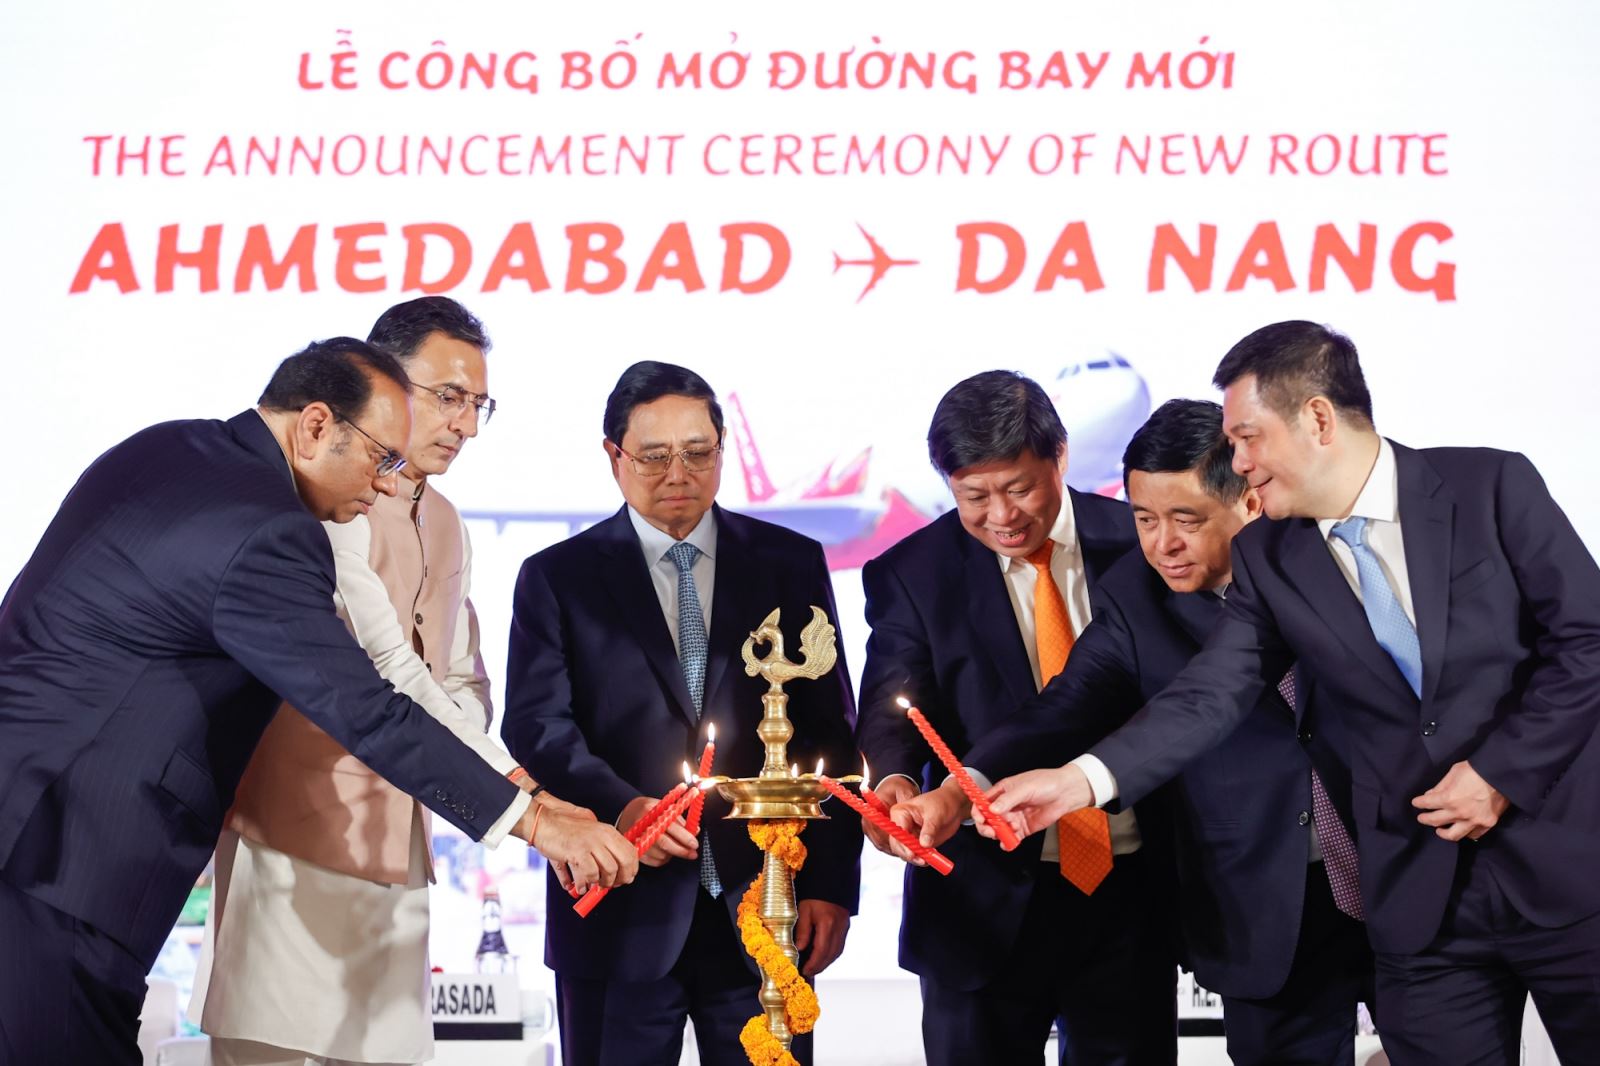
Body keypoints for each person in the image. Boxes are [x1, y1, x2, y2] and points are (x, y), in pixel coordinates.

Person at [0, 337, 637, 1065]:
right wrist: (535, 822)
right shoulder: (270, 531)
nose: (389, 486)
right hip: (64, 861)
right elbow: (369, 706)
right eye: (380, 459)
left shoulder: (168, 448)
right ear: (313, 426)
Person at [983, 321, 1600, 1065]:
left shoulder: (1491, 486)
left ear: (1316, 418)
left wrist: (1500, 772)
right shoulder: (1270, 557)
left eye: (1246, 437)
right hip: (1421, 908)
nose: (1236, 461)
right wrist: (1078, 782)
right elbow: (1207, 694)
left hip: (1568, 871)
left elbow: (1587, 643)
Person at [901, 398, 1374, 1064]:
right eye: (1144, 519)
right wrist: (964, 785)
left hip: (1400, 872)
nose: (1162, 544)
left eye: (1185, 520)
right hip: (1265, 904)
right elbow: (1066, 706)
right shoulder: (1135, 592)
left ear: (1250, 500)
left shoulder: (1341, 551)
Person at [189, 299, 587, 1066]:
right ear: (382, 387)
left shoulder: (446, 520)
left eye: (479, 404)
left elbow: (461, 674)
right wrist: (521, 799)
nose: (465, 425)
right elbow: (391, 671)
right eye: (448, 397)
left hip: (404, 844)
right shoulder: (328, 506)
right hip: (292, 839)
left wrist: (499, 776)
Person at [501, 361, 862, 1066]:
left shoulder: (788, 564)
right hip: (617, 908)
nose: (679, 472)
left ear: (721, 450)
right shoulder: (557, 577)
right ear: (615, 457)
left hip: (768, 907)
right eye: (655, 455)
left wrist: (831, 886)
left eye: (698, 453)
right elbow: (537, 727)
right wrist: (621, 806)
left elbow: (830, 733)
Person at [854, 370, 1174, 1066]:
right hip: (980, 902)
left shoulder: (1142, 544)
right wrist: (893, 786)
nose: (1001, 514)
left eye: (1019, 487)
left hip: (1131, 890)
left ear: (1059, 454)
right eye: (974, 496)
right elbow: (890, 708)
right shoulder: (915, 571)